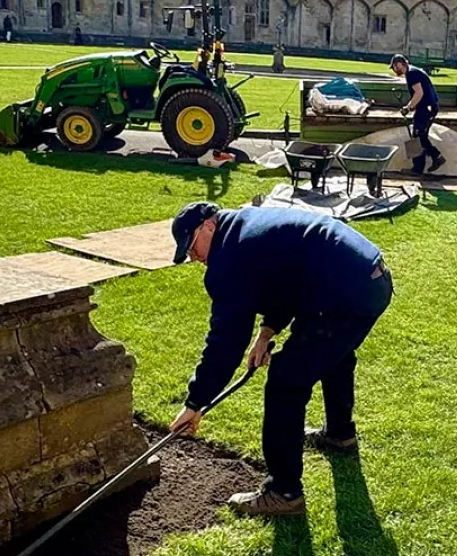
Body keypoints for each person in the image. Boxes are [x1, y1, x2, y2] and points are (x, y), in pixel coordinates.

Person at [168, 201, 394, 517]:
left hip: (345, 292)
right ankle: (340, 434)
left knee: (285, 381)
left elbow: (226, 342)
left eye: (192, 248)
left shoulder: (230, 257)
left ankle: (283, 493)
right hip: (372, 278)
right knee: (335, 354)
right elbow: (287, 279)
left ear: (208, 225)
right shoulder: (247, 228)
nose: (195, 258)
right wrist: (266, 332)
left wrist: (195, 403)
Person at [389, 53, 444, 175]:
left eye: (393, 67)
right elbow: (419, 94)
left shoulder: (412, 74)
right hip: (427, 107)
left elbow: (419, 93)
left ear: (399, 64)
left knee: (418, 137)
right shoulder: (413, 71)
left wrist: (408, 108)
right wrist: (413, 106)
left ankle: (434, 158)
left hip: (426, 108)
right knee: (418, 136)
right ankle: (422, 166)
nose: (394, 70)